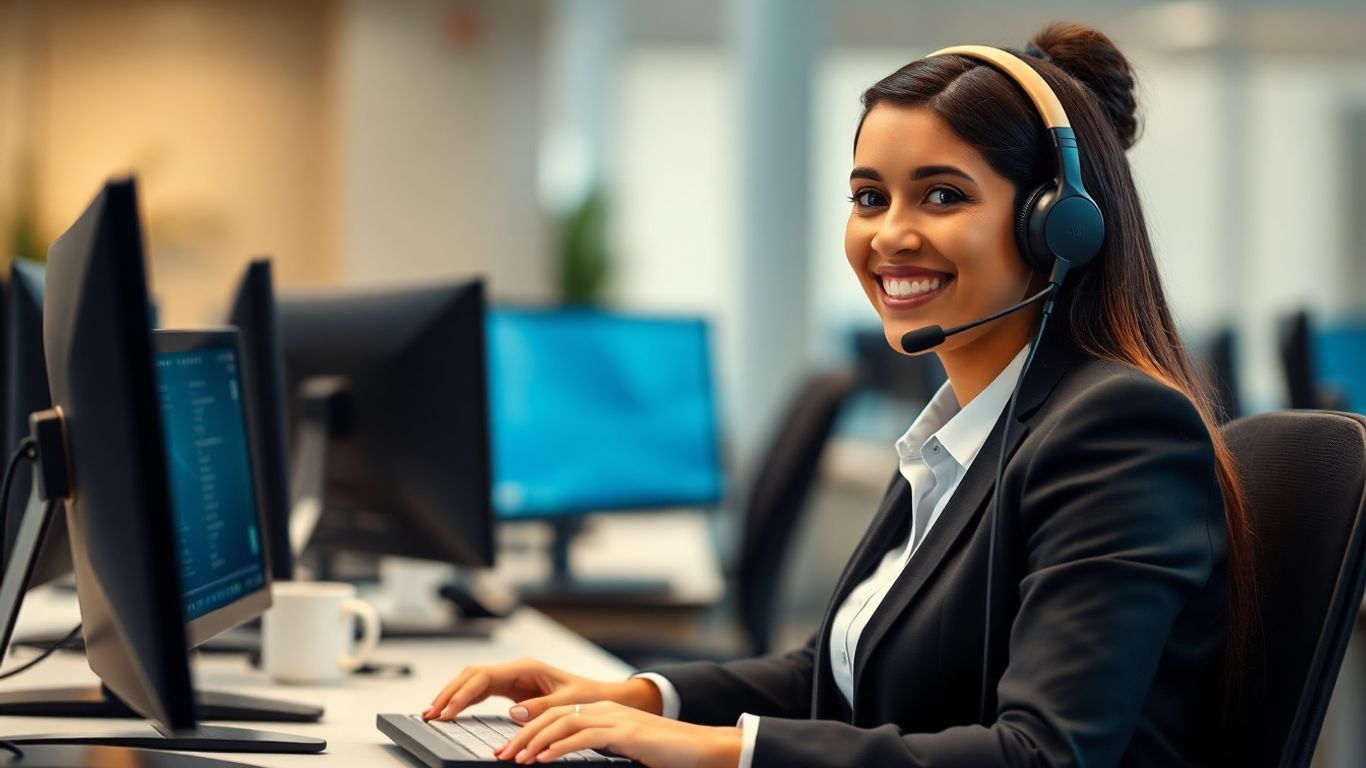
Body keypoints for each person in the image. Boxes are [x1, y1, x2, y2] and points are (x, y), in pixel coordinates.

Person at [423, 22, 1254, 767]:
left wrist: (722, 753)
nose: (889, 233)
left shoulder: (1120, 431)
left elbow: (1043, 755)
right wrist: (637, 700)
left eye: (942, 194)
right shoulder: (961, 435)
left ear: (1055, 224)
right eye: (868, 197)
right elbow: (833, 673)